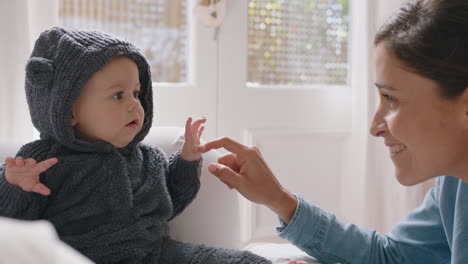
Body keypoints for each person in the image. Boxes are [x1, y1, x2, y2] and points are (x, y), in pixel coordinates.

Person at [201, 0, 468, 263]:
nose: (374, 127)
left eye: (391, 99)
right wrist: (279, 199)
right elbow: (391, 256)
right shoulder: (455, 183)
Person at [0, 27, 270, 264]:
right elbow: (13, 227)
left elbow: (173, 200)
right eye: (118, 95)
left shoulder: (148, 157)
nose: (134, 105)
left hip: (157, 255)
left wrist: (187, 161)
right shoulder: (42, 161)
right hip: (80, 256)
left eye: (137, 93)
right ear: (68, 110)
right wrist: (16, 187)